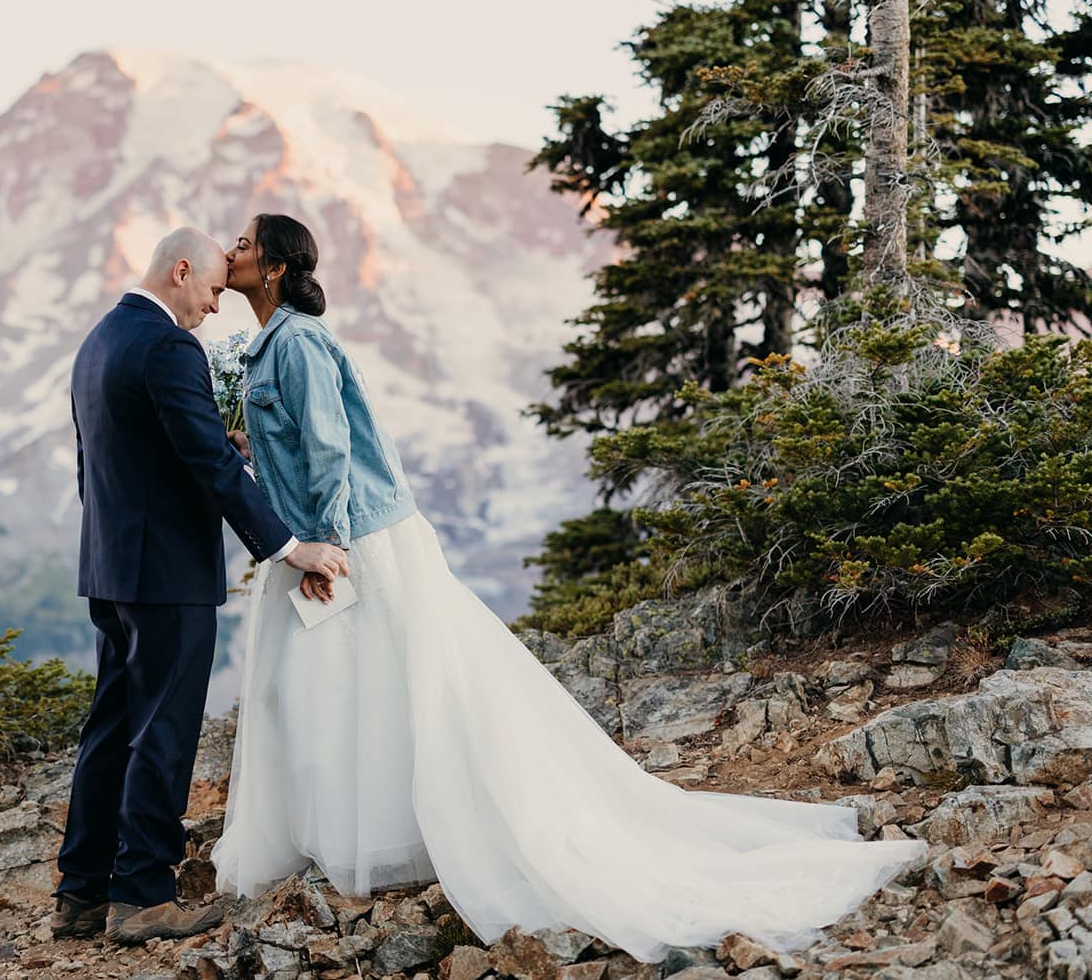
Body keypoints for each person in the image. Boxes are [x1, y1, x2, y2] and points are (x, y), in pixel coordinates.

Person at [208, 213, 927, 964]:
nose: (232, 251)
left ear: (277, 268)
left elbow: (331, 448)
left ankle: (400, 836)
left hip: (355, 540)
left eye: (244, 244)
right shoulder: (270, 346)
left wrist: (327, 545)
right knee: (343, 686)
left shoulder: (297, 341)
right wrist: (254, 455)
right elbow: (298, 440)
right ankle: (359, 833)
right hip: (324, 542)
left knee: (396, 685)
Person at [52, 226, 350, 945]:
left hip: (111, 568)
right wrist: (290, 547)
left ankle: (81, 893)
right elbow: (209, 474)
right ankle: (145, 895)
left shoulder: (99, 339)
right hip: (167, 575)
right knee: (164, 728)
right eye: (213, 288)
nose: (216, 306)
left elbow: (119, 455)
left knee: (112, 727)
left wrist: (227, 443)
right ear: (181, 270)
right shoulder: (167, 345)